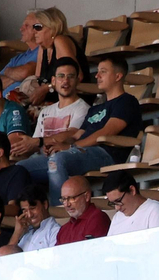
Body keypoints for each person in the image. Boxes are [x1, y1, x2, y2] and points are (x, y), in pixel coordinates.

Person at [44, 56, 141, 199]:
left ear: (118, 76)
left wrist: (71, 148)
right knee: (22, 168)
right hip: (83, 151)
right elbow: (77, 134)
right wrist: (61, 144)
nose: (97, 75)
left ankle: (60, 211)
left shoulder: (127, 101)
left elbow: (106, 132)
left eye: (103, 71)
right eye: (98, 71)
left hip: (107, 154)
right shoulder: (96, 108)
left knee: (57, 160)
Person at [18, 59, 90, 199]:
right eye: (61, 76)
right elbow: (35, 143)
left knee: (25, 168)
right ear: (53, 80)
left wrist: (39, 142)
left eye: (70, 76)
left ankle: (59, 208)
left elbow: (72, 133)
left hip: (67, 157)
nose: (65, 81)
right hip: (42, 157)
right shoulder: (47, 111)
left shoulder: (82, 108)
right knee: (14, 170)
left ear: (77, 80)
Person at [103, 170, 159, 236]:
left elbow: (158, 244)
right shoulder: (117, 217)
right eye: (113, 203)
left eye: (118, 201)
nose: (117, 208)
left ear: (132, 190)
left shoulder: (154, 210)